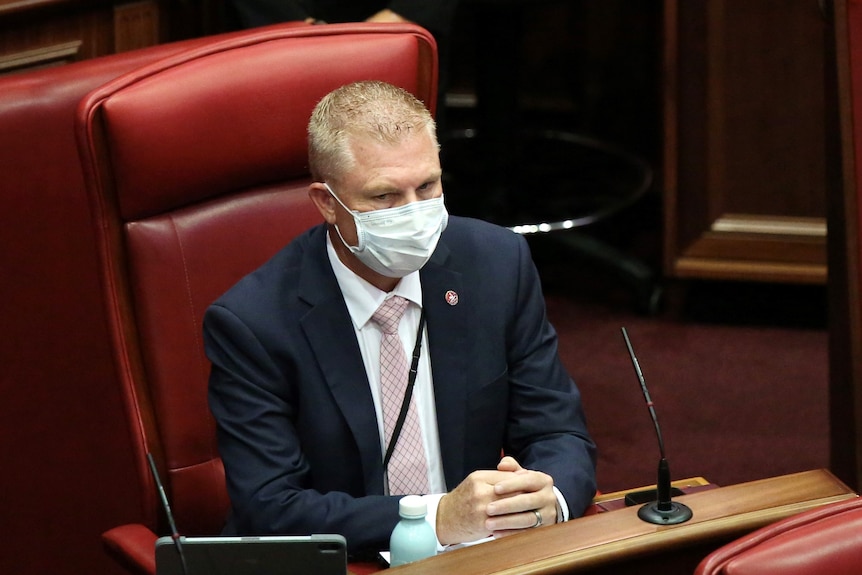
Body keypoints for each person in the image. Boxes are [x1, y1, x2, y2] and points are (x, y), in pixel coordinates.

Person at [204, 80, 597, 557]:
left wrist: (547, 498)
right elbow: (270, 508)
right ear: (327, 203)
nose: (415, 215)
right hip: (350, 561)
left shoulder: (497, 265)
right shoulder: (253, 323)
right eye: (385, 197)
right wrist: (436, 517)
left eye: (428, 186)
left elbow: (557, 431)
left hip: (478, 555)